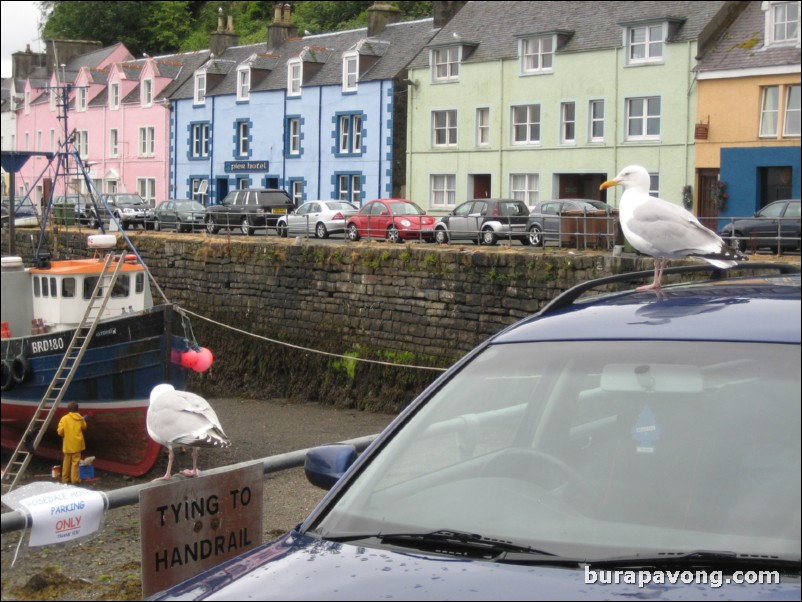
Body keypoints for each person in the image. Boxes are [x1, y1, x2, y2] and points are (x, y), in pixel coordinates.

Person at [57, 402, 87, 484]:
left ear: (68, 409)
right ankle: (75, 479)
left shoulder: (64, 418)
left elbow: (60, 431)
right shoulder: (80, 418)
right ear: (77, 409)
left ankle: (65, 479)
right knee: (75, 463)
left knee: (66, 462)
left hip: (67, 443)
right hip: (77, 443)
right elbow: (84, 427)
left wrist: (64, 434)